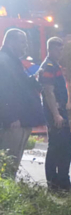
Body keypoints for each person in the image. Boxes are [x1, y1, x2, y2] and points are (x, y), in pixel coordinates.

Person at [0, 29, 45, 180]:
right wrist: (11, 117)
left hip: (20, 121)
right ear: (11, 41)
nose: (25, 46)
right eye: (22, 42)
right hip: (13, 123)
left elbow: (18, 86)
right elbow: (4, 91)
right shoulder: (4, 60)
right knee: (8, 163)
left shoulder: (11, 61)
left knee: (12, 163)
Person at [36, 37, 71, 193]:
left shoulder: (54, 65)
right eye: (59, 48)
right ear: (51, 49)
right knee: (57, 147)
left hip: (58, 111)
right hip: (55, 112)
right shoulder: (49, 66)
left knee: (65, 147)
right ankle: (54, 184)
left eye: (62, 48)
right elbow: (48, 92)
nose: (61, 51)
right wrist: (56, 114)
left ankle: (62, 181)